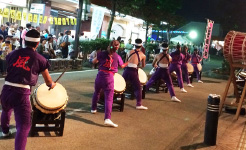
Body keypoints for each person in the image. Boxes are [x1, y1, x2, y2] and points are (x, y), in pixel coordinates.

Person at [0, 29, 56, 150]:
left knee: (6, 109)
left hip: (6, 89)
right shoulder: (40, 58)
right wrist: (52, 85)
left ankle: (4, 131)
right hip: (21, 92)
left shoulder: (12, 54)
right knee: (24, 126)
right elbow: (48, 81)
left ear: (24, 40)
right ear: (37, 43)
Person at [91, 40, 128, 127]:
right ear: (117, 47)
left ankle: (93, 108)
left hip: (100, 75)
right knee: (109, 98)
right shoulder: (117, 56)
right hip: (109, 77)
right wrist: (128, 62)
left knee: (97, 92)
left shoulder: (101, 53)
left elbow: (94, 61)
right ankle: (107, 118)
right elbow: (122, 66)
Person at [123, 38, 148, 110]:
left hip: (126, 70)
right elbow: (143, 66)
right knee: (138, 87)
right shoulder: (143, 55)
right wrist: (137, 65)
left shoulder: (129, 52)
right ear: (141, 46)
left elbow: (125, 62)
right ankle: (138, 104)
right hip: (133, 71)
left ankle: (115, 98)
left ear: (134, 44)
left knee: (122, 85)